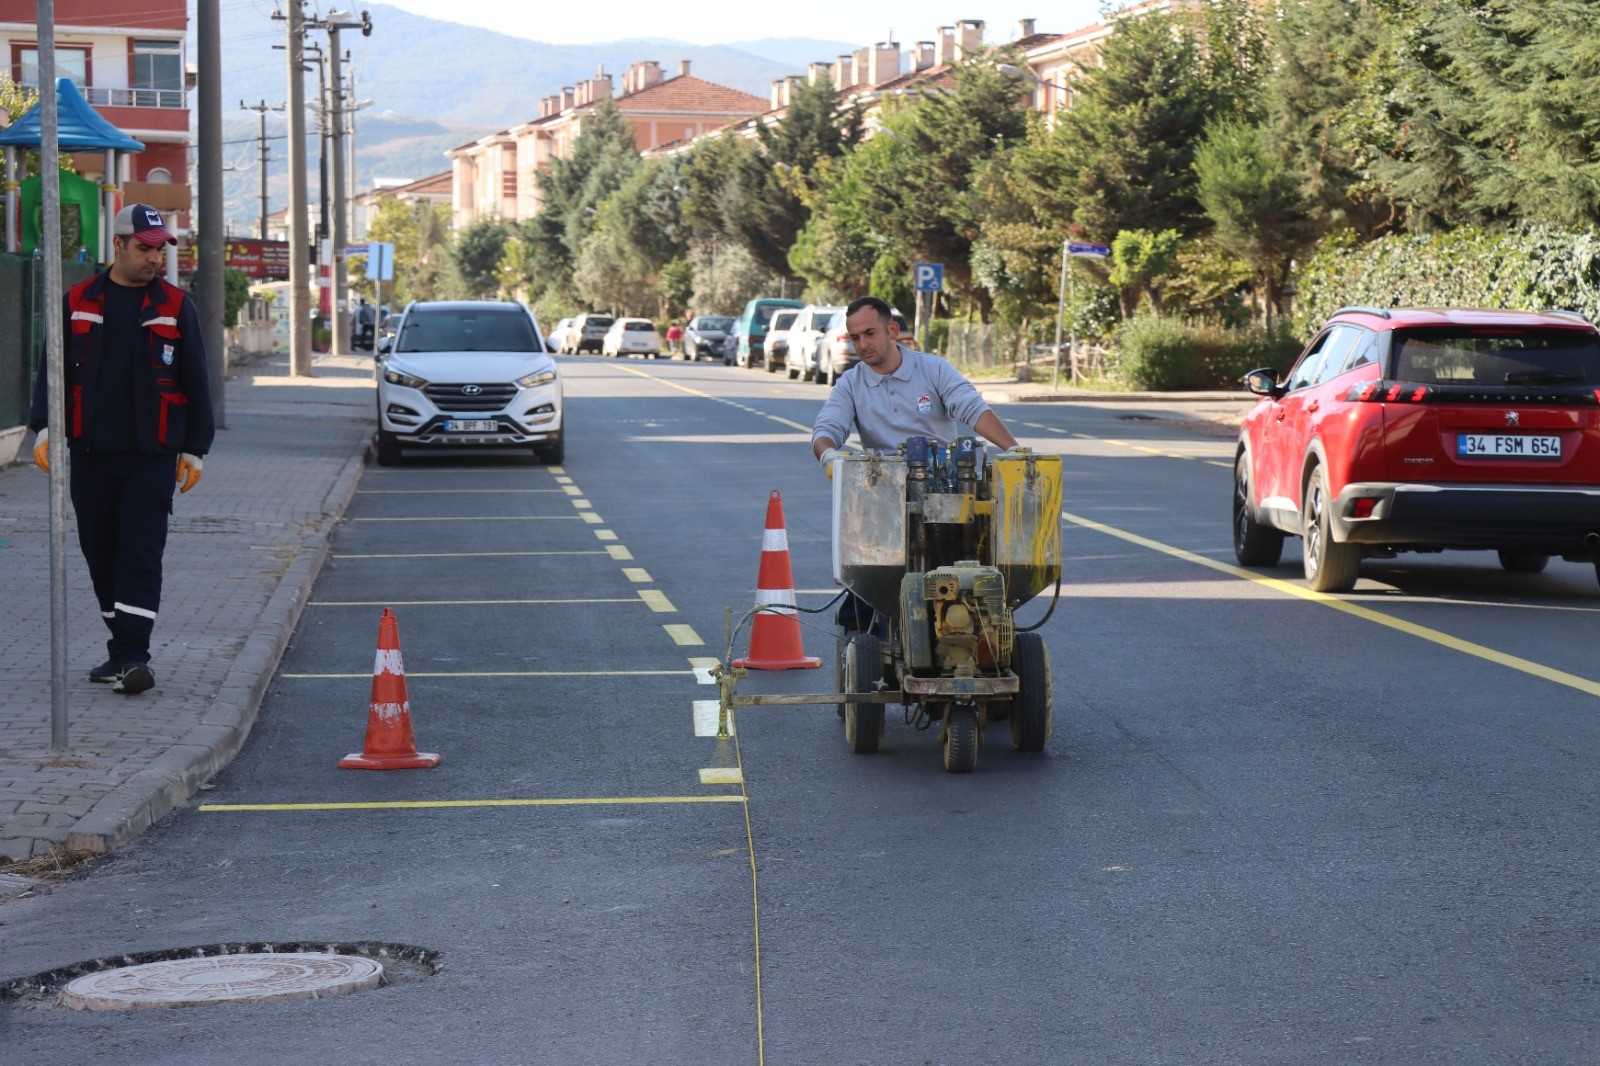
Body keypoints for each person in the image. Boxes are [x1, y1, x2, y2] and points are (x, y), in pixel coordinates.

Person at [28, 203, 215, 695]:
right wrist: (45, 429)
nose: (155, 259)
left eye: (160, 250)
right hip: (90, 454)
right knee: (100, 553)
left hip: (151, 457)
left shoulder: (175, 306)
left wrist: (194, 448)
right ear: (118, 245)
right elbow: (53, 369)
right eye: (145, 248)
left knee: (140, 553)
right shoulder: (77, 300)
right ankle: (121, 650)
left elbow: (196, 378)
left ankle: (135, 655)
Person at [811, 295, 1020, 633]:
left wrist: (1014, 448)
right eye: (855, 337)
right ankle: (862, 637)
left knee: (973, 560)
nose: (862, 344)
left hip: (945, 492)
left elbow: (971, 407)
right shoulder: (850, 384)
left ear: (892, 330)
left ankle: (982, 626)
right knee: (868, 580)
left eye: (870, 333)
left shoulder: (933, 369)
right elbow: (826, 429)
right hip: (883, 495)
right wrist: (829, 456)